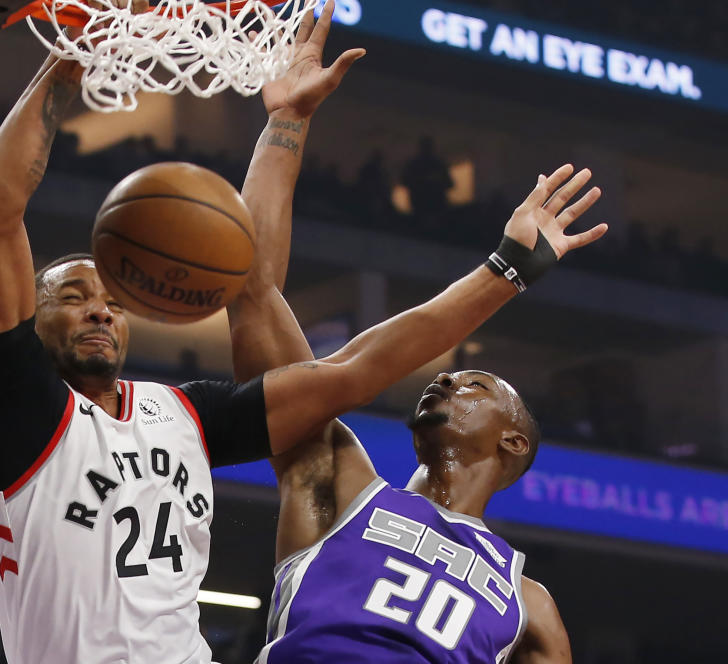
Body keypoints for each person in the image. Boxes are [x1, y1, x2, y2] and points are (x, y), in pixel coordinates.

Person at [0, 3, 364, 662]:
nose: (100, 310)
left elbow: (255, 295)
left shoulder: (182, 413)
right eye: (75, 296)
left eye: (113, 300)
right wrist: (70, 55)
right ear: (31, 321)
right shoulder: (17, 410)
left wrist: (287, 120)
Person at [228, 50, 607, 664]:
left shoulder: (528, 604)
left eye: (475, 383)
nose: (447, 379)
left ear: (514, 442)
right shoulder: (339, 483)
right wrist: (287, 122)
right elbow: (252, 290)